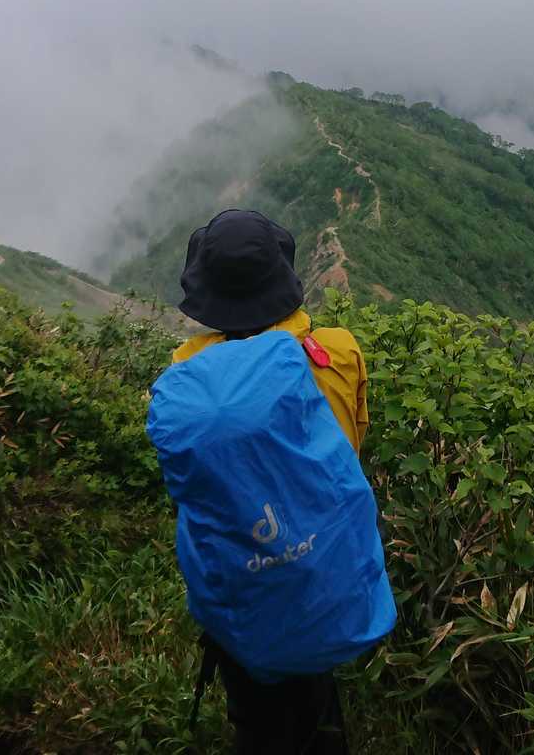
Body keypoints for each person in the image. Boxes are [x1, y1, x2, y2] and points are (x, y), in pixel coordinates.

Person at [157, 209, 377, 754]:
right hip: (324, 570)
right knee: (318, 712)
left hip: (244, 586)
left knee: (258, 722)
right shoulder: (337, 352)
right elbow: (351, 447)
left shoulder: (182, 382)